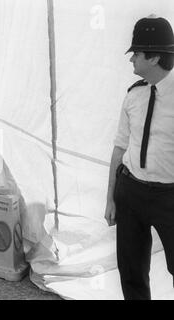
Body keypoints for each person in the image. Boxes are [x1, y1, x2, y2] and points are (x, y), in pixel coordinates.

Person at [105, 15, 174, 300]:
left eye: (137, 53)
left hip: (169, 196)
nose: (131, 59)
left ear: (155, 57)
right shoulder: (133, 95)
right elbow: (119, 149)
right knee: (131, 272)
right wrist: (110, 198)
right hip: (130, 191)